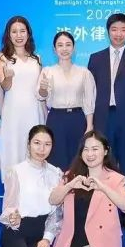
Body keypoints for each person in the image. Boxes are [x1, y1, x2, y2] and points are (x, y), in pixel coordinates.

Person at [88, 13, 125, 206]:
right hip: (103, 118)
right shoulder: (95, 58)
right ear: (108, 32)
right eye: (114, 29)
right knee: (103, 164)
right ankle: (103, 206)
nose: (118, 34)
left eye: (123, 30)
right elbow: (90, 91)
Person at [0, 16, 46, 176]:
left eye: (22, 31)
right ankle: (12, 189)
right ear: (8, 35)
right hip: (13, 114)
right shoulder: (2, 57)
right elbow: (5, 86)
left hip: (34, 112)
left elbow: (40, 91)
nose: (19, 35)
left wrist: (45, 116)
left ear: (28, 33)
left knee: (34, 151)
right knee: (13, 152)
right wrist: (8, 77)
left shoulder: (37, 59)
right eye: (14, 31)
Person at [39, 32, 96, 170]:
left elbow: (89, 101)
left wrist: (89, 126)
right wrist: (43, 89)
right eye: (60, 45)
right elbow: (41, 96)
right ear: (54, 49)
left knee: (78, 159)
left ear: (74, 48)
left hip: (78, 119)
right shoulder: (48, 71)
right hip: (56, 119)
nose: (64, 49)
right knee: (56, 160)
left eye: (68, 45)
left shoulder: (84, 72)